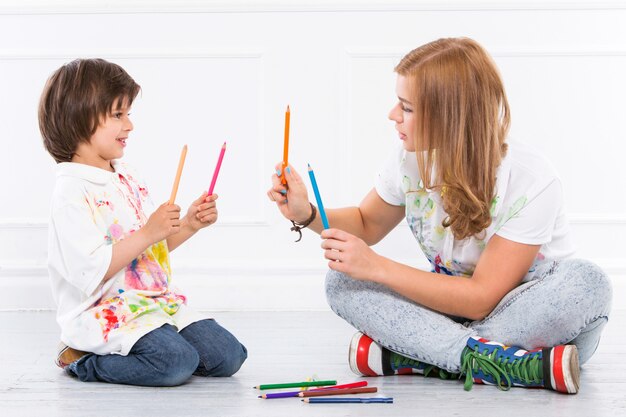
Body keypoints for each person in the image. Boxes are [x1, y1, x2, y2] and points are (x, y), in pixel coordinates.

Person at [267, 37, 612, 394]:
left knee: (588, 283)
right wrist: (306, 214)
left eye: (407, 107)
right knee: (341, 281)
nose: (392, 115)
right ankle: (502, 364)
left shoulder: (531, 179)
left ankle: (420, 356)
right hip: (461, 316)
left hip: (528, 318)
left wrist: (379, 267)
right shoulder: (409, 160)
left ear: (450, 117)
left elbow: (481, 298)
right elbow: (366, 223)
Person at [39, 58, 247, 386]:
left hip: (152, 301)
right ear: (79, 119)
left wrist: (189, 224)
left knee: (229, 355)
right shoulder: (71, 191)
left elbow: (150, 251)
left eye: (128, 114)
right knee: (176, 363)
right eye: (118, 115)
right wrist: (149, 231)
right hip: (104, 313)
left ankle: (155, 347)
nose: (129, 126)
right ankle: (82, 360)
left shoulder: (127, 176)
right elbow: (90, 271)